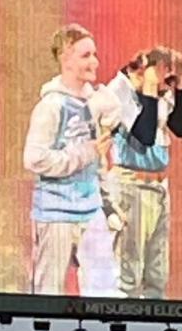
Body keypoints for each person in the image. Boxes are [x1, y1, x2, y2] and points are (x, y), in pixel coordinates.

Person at [23, 24, 115, 296]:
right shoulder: (51, 106)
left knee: (103, 291)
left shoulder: (95, 102)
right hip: (55, 212)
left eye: (94, 55)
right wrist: (85, 152)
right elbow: (34, 159)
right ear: (65, 58)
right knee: (48, 293)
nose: (94, 62)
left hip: (91, 208)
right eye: (85, 55)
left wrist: (107, 199)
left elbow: (99, 160)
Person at [105, 46, 182, 299]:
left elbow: (181, 128)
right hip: (131, 186)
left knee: (157, 276)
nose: (167, 85)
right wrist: (151, 91)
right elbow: (145, 134)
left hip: (158, 188)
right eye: (165, 75)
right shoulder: (119, 90)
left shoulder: (158, 92)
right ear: (143, 71)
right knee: (128, 275)